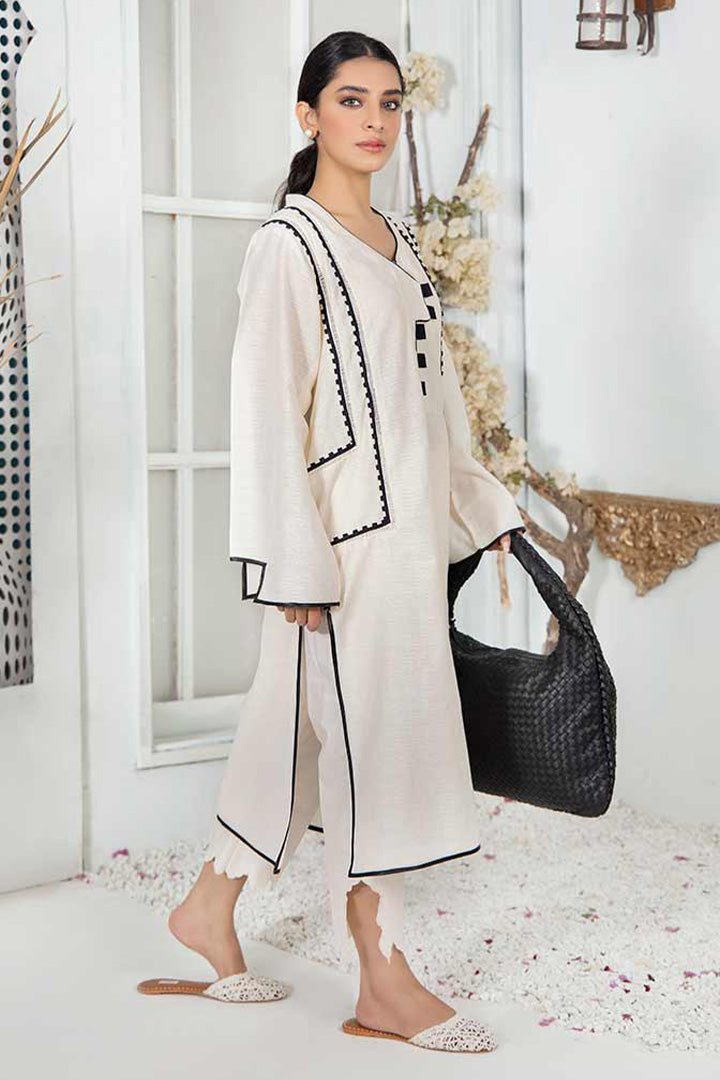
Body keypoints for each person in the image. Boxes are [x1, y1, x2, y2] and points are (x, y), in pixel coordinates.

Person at [159, 30, 525, 1054]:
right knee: (379, 744)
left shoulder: (399, 241)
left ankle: (207, 909)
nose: (374, 120)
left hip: (407, 541)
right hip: (339, 549)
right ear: (308, 114)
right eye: (351, 99)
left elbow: (435, 399)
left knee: (294, 733)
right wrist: (294, 561)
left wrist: (482, 504)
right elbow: (265, 410)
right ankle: (384, 977)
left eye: (390, 102)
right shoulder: (290, 245)